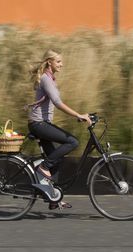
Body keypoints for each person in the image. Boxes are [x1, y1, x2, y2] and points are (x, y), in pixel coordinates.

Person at [27, 49, 91, 209]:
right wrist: (78, 115)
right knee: (72, 142)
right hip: (39, 124)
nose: (61, 64)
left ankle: (53, 197)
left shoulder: (49, 78)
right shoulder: (46, 79)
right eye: (58, 61)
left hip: (42, 124)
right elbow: (56, 102)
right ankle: (43, 167)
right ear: (50, 62)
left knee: (56, 158)